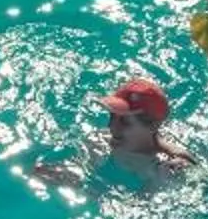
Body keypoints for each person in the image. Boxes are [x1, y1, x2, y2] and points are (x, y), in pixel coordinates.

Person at [29, 77, 189, 184]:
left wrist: (89, 191)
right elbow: (79, 168)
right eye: (112, 116)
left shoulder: (165, 168)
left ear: (153, 126)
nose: (112, 127)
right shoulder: (99, 139)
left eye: (125, 122)